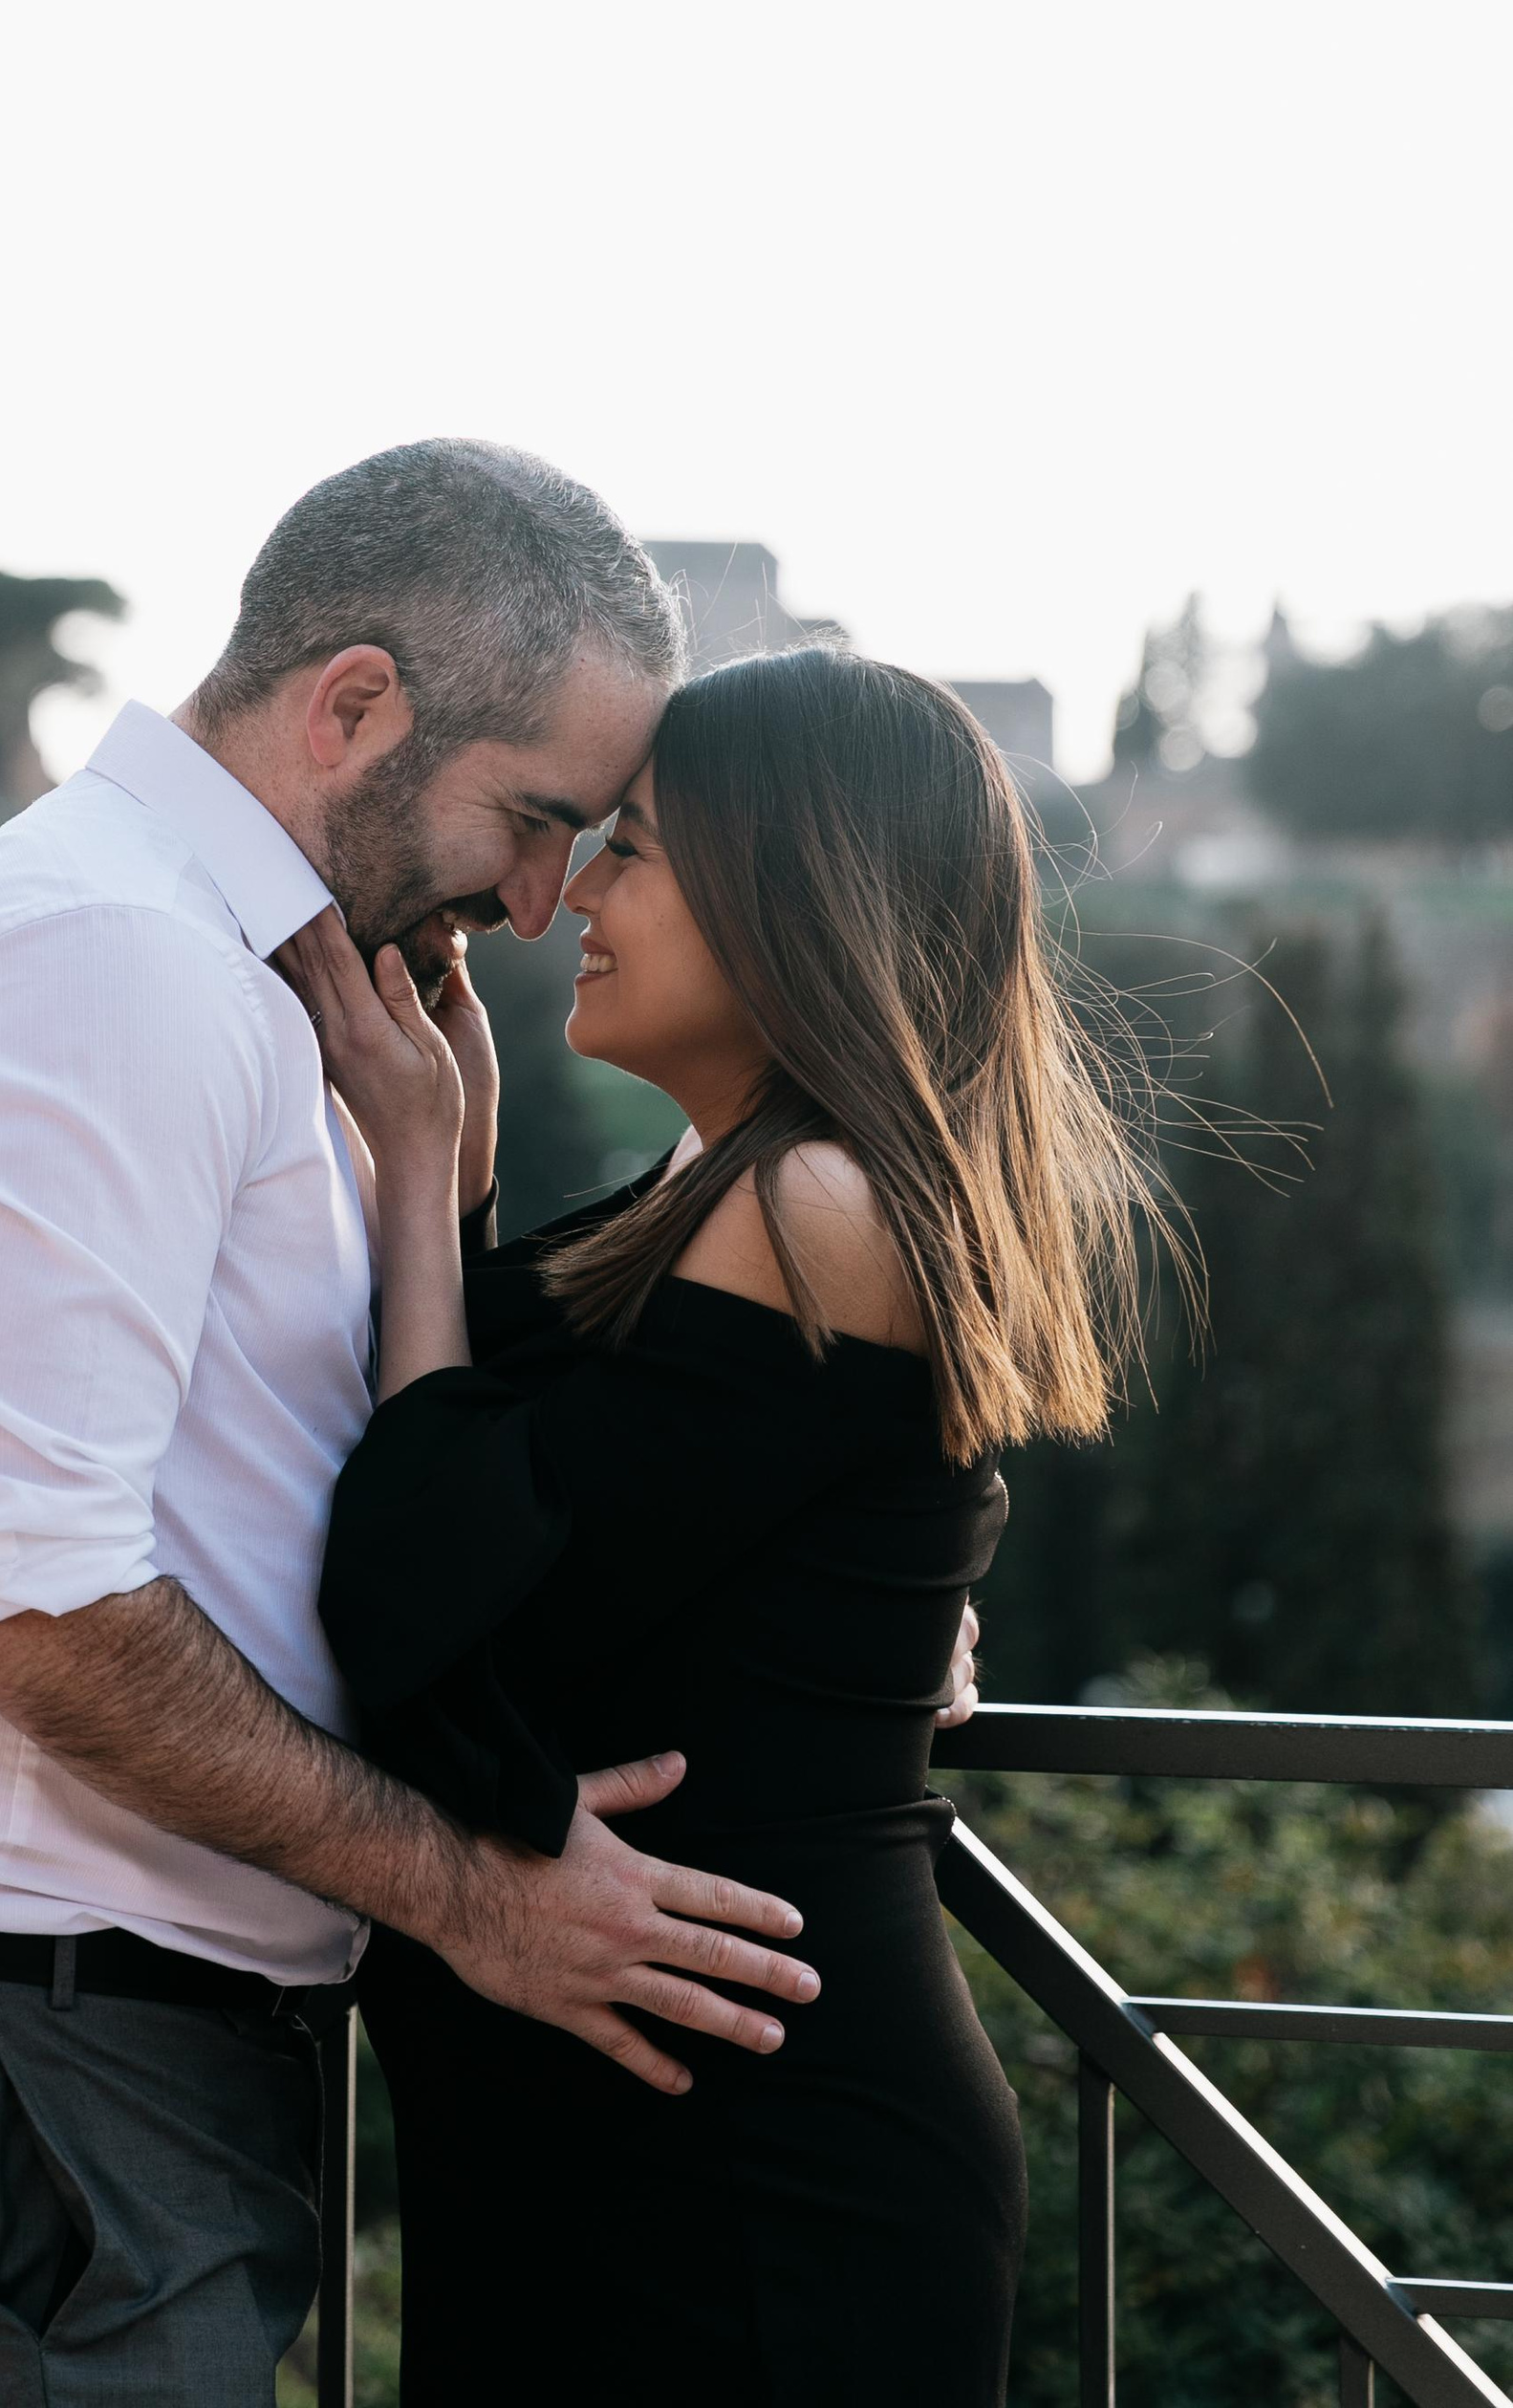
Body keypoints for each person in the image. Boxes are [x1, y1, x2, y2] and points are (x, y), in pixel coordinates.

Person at [0, 445, 874, 2407]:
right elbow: (28, 1604)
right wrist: (464, 1893)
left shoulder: (241, 979)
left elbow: (345, 1487)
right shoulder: (112, 963)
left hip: (63, 2030)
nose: (526, 902)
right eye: (530, 820)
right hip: (17, 2040)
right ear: (352, 707)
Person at [305, 643, 1160, 2405]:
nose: (574, 901)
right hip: (629, 2127)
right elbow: (538, 1485)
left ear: (791, 899)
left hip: (755, 2167)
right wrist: (455, 1182)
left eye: (634, 853)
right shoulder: (723, 1188)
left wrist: (411, 1186)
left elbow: (426, 1579)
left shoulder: (816, 1202)